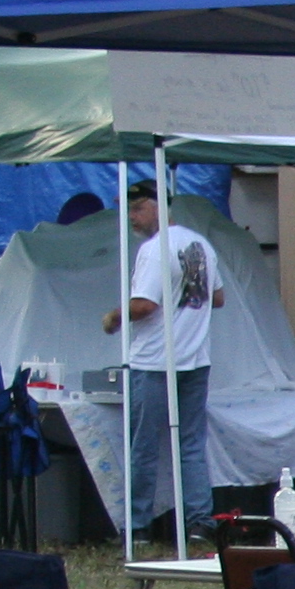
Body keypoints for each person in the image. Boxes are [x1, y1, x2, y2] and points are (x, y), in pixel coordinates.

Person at [98, 180, 223, 544]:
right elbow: (217, 297)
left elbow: (145, 305)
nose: (132, 218)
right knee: (190, 443)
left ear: (158, 206)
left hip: (154, 361)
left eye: (137, 209)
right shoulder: (200, 244)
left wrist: (114, 317)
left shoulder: (155, 250)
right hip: (195, 358)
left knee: (144, 444)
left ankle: (137, 526)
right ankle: (200, 520)